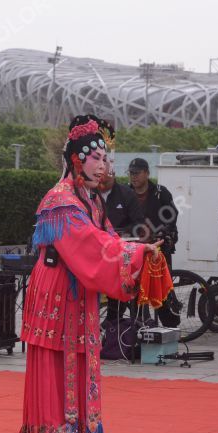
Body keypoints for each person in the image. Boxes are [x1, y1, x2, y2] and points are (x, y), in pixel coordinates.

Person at [14, 114, 163, 433]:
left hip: (80, 291)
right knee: (56, 361)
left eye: (106, 159)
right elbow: (88, 244)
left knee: (80, 359)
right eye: (97, 158)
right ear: (77, 159)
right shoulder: (61, 200)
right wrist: (135, 252)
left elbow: (106, 238)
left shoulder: (91, 200)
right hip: (57, 289)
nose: (105, 166)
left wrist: (138, 250)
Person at [96, 121, 146, 325]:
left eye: (104, 175)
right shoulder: (90, 194)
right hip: (96, 250)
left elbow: (138, 224)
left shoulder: (126, 195)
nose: (100, 179)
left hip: (119, 251)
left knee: (120, 288)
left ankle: (114, 322)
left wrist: (121, 234)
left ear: (113, 173)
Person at [127, 158, 179, 270]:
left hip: (158, 246)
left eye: (137, 173)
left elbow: (173, 214)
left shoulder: (160, 192)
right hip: (133, 247)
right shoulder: (125, 192)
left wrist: (165, 231)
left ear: (147, 173)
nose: (133, 176)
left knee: (161, 283)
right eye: (131, 173)